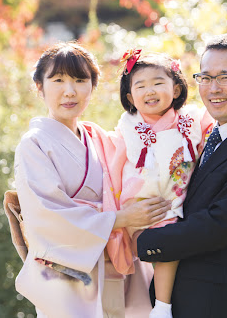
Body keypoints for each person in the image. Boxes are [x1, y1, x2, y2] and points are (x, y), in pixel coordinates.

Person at [12, 42, 172, 318]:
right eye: (58, 80)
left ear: (92, 87)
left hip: (116, 268)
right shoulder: (34, 144)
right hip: (66, 274)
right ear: (40, 87)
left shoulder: (99, 138)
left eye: (80, 80)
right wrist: (120, 218)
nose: (70, 91)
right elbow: (47, 216)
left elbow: (140, 174)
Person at [135, 34, 227, 317]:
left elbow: (215, 228)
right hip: (164, 302)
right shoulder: (201, 133)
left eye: (225, 77)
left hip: (210, 305)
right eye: (205, 78)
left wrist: (140, 242)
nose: (213, 89)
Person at [90, 51, 213, 318]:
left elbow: (211, 132)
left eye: (158, 83)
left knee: (168, 243)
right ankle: (162, 306)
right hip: (141, 202)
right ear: (130, 97)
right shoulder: (129, 127)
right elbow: (114, 161)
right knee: (159, 243)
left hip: (177, 201)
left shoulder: (191, 118)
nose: (150, 91)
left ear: (176, 88)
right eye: (140, 85)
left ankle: (162, 305)